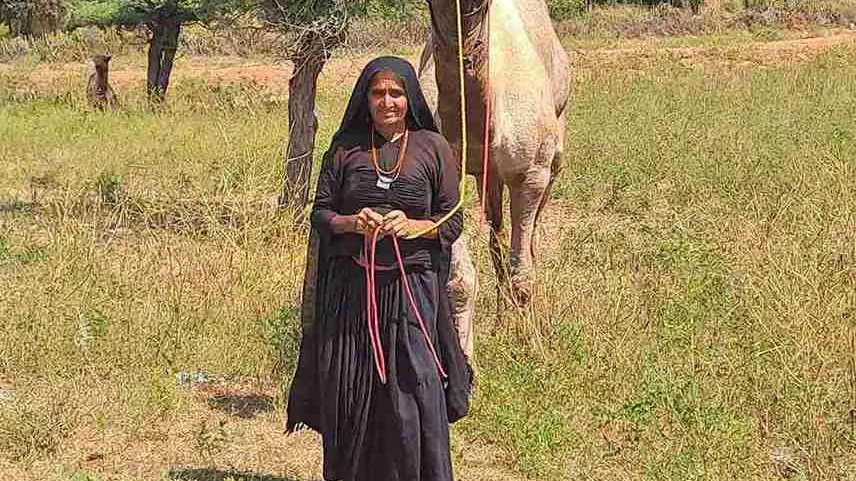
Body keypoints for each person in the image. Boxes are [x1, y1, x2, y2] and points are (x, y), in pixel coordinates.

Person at [286, 56, 472, 481]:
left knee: (415, 392)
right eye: (377, 93)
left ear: (409, 98)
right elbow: (321, 213)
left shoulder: (432, 147)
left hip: (412, 293)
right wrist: (353, 222)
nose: (387, 102)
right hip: (352, 293)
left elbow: (452, 218)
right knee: (352, 397)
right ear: (365, 99)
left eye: (396, 93)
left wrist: (414, 227)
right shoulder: (345, 148)